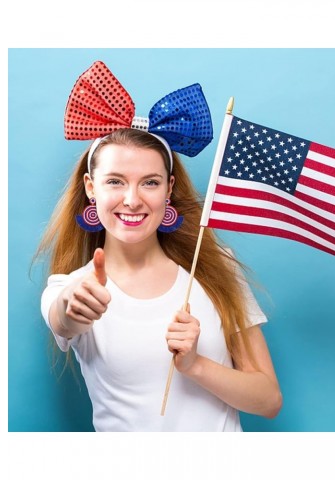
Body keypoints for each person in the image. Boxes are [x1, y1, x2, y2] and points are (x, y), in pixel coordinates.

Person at [38, 61, 282, 432]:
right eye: (115, 181)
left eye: (149, 183)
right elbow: (63, 316)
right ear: (91, 188)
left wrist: (195, 365)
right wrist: (73, 307)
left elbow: (268, 400)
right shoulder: (70, 287)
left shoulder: (216, 268)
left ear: (169, 189)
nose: (132, 200)